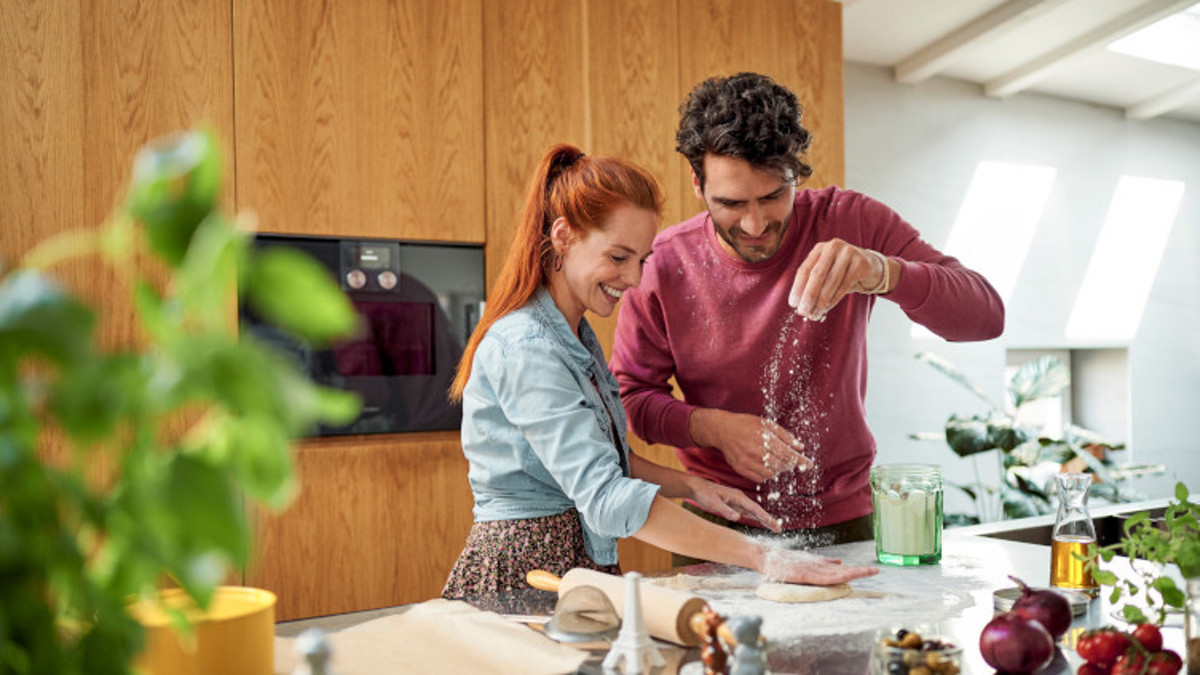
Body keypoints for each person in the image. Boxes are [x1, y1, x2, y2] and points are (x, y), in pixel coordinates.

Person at [441, 143, 877, 597]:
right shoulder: (528, 348)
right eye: (617, 257)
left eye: (642, 260)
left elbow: (601, 461)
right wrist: (764, 556)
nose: (633, 279)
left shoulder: (574, 337)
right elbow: (607, 496)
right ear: (563, 237)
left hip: (573, 567)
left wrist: (691, 485)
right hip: (524, 573)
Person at [611, 72, 1005, 560]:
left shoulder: (853, 221)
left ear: (798, 174)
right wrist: (714, 429)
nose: (755, 225)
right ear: (697, 182)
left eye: (774, 196)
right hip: (718, 525)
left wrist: (883, 272)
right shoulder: (665, 264)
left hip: (845, 523)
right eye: (731, 203)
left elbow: (986, 316)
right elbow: (631, 399)